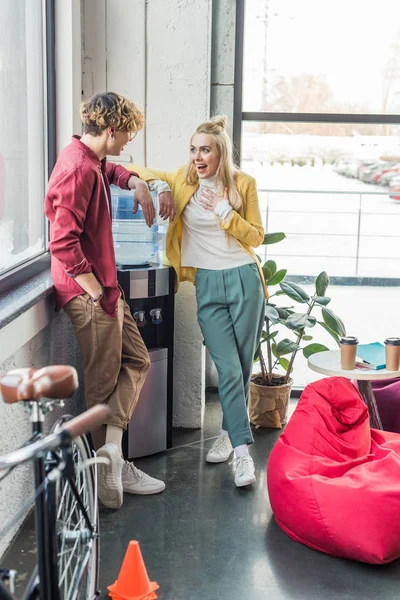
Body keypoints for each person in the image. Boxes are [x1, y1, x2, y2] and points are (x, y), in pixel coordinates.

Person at [44, 92, 175, 509]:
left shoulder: (92, 159)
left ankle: (112, 451)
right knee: (101, 389)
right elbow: (61, 243)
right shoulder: (76, 170)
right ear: (111, 129)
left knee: (137, 360)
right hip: (90, 294)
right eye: (127, 134)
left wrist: (136, 181)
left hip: (103, 289)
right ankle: (103, 483)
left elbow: (111, 168)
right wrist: (99, 293)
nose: (127, 143)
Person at [130, 115, 267, 487]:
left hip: (244, 280)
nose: (197, 157)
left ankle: (228, 437)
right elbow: (130, 167)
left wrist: (224, 212)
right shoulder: (183, 180)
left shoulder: (243, 185)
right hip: (206, 284)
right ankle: (244, 455)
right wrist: (157, 186)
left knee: (238, 366)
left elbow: (256, 237)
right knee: (227, 367)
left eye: (204, 149)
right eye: (193, 150)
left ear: (220, 152)